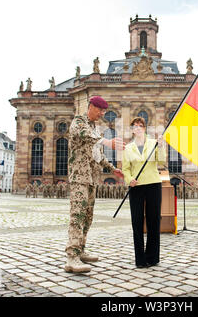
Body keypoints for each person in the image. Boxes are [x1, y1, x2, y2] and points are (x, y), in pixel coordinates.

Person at [65, 96, 125, 273]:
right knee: (77, 215)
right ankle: (72, 256)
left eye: (104, 111)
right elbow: (86, 136)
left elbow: (98, 154)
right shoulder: (79, 122)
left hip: (91, 178)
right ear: (91, 107)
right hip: (79, 178)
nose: (102, 114)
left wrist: (113, 169)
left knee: (88, 216)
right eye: (100, 110)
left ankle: (81, 250)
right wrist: (107, 141)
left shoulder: (93, 127)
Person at [122, 117, 166, 268]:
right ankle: (140, 259)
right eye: (135, 126)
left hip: (153, 184)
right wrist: (129, 179)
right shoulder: (128, 148)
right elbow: (125, 169)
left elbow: (161, 163)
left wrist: (160, 147)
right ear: (132, 130)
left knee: (154, 221)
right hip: (136, 187)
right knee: (137, 222)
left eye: (141, 125)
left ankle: (152, 258)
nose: (138, 128)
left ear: (145, 128)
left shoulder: (153, 144)